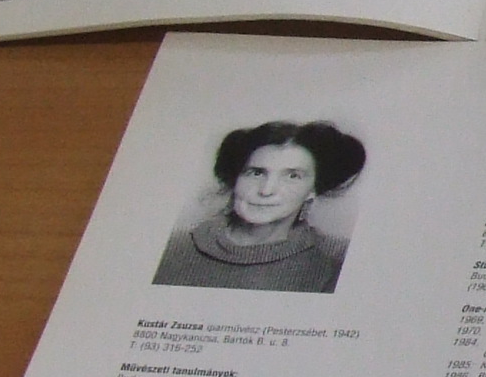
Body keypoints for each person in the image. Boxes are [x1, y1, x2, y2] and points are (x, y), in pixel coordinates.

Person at [153, 119, 365, 292]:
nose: (266, 190)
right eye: (256, 173)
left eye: (292, 176)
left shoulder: (337, 260)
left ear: (313, 189)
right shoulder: (172, 247)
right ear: (235, 178)